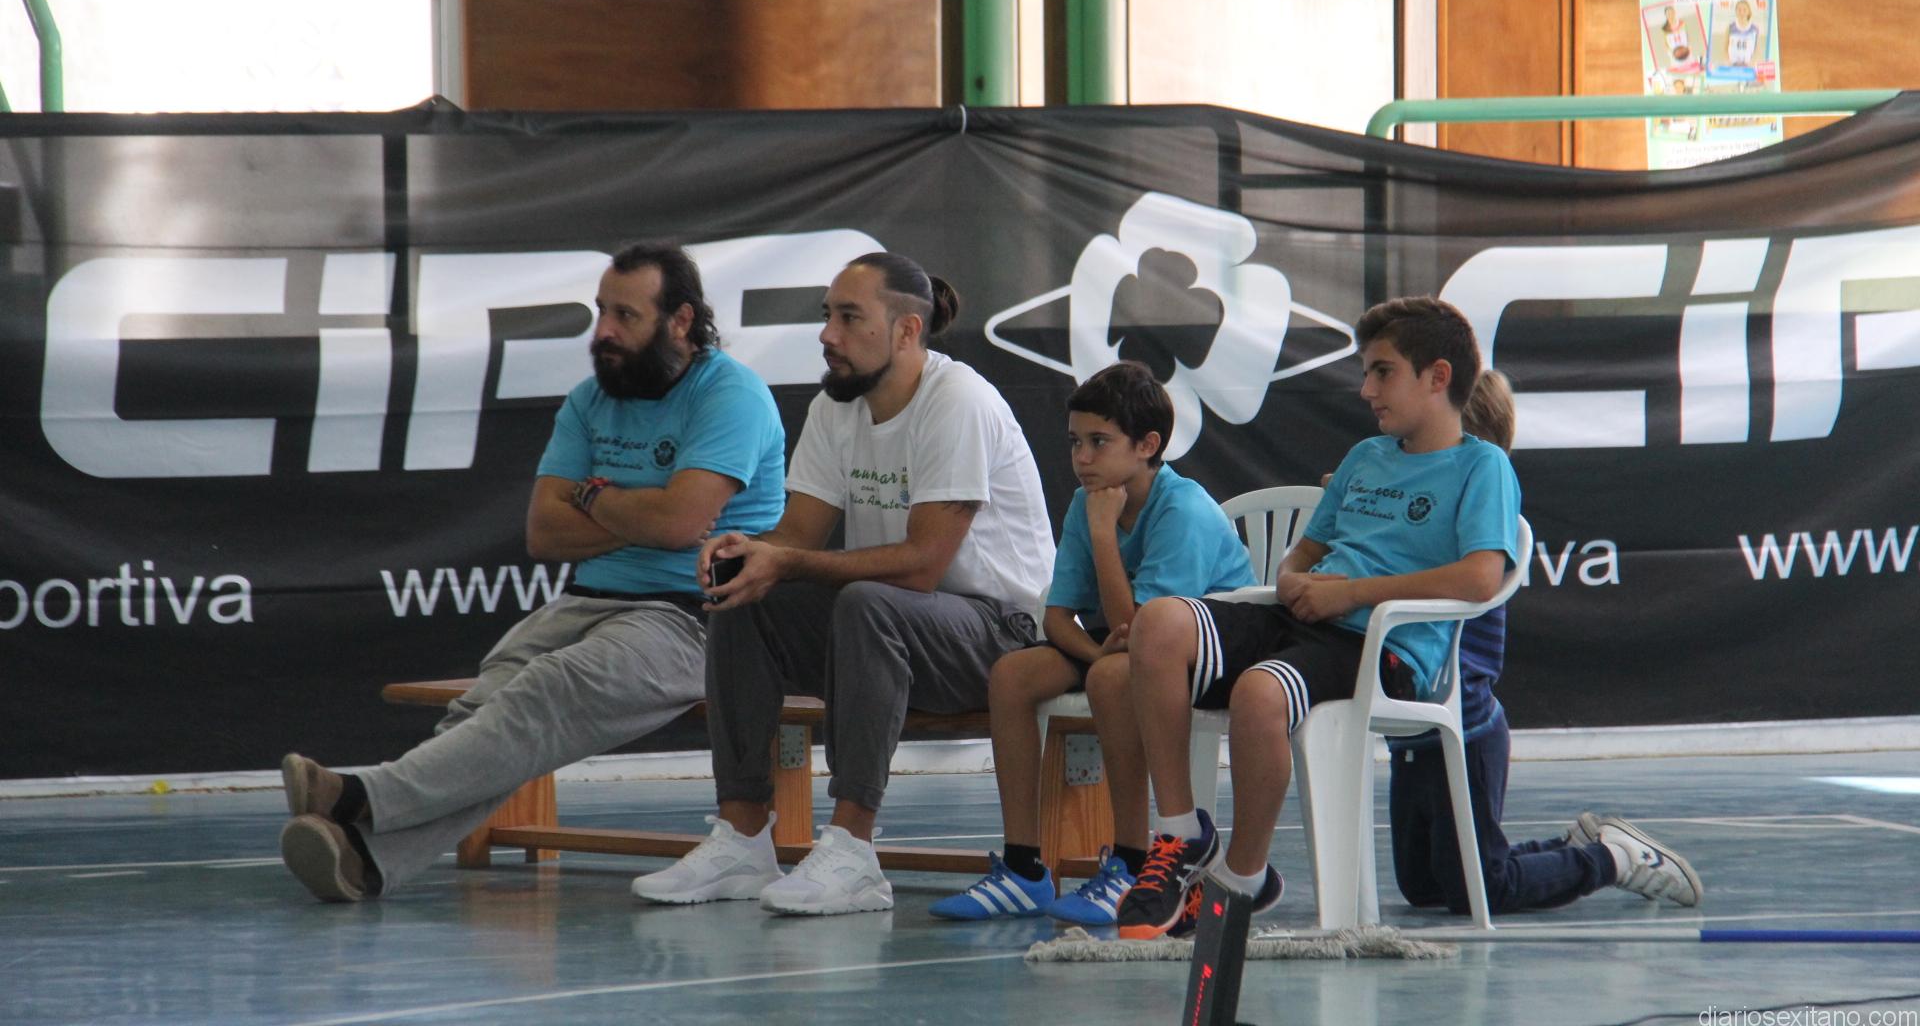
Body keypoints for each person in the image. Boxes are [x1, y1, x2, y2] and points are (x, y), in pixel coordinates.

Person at [1107, 296, 1699, 938]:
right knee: (1158, 623)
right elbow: (1304, 552)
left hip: (1378, 650)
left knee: (1268, 700)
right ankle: (1181, 833)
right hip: (1302, 623)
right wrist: (1293, 578)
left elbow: (1481, 577)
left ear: (1437, 377)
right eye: (1366, 372)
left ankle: (1242, 880)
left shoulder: (1483, 466)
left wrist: (1353, 595)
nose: (1366, 390)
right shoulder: (1365, 456)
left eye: (1382, 372)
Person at [276, 242, 785, 902]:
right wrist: (645, 510)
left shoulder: (730, 394)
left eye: (625, 316)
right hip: (585, 598)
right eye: (601, 311)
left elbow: (679, 525)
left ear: (680, 321)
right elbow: (545, 534)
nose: (604, 331)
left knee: (546, 689)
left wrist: (597, 498)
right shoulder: (589, 400)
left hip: (695, 617)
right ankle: (366, 861)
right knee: (483, 705)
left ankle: (357, 795)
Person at [631, 252, 1055, 917]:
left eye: (850, 318)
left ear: (907, 331)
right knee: (745, 592)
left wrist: (787, 562)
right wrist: (748, 552)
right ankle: (743, 838)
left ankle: (854, 852)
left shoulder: (959, 400)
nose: (828, 334)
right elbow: (798, 533)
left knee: (867, 602)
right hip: (898, 627)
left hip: (1005, 640)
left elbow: (922, 565)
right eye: (827, 315)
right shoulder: (838, 405)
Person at [927, 362, 1256, 923]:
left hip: (1209, 650)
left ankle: (1131, 864)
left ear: (1148, 445)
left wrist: (1105, 535)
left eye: (1099, 442)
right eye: (1075, 442)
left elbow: (1146, 633)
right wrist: (1096, 651)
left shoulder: (1182, 509)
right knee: (1013, 675)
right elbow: (1058, 617)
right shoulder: (1090, 500)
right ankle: (1024, 869)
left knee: (1110, 676)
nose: (1082, 458)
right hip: (1128, 641)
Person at [1389, 368, 1704, 916]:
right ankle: (1572, 846)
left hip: (1463, 730)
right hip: (1412, 735)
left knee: (1480, 890)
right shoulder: (1421, 501)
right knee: (1426, 886)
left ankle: (1613, 860)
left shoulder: (1476, 516)